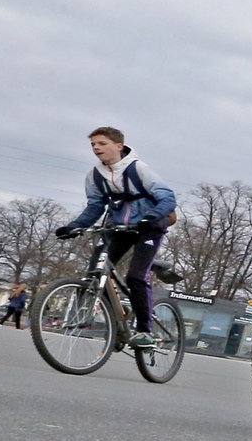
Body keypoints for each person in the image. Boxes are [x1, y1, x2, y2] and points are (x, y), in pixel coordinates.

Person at [55, 127, 177, 348]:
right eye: (93, 144)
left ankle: (144, 331)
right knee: (95, 272)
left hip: (148, 226)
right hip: (118, 227)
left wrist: (151, 217)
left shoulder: (138, 169)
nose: (96, 148)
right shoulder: (94, 175)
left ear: (118, 146)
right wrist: (73, 227)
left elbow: (167, 198)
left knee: (135, 277)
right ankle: (118, 317)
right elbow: (95, 207)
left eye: (101, 143)